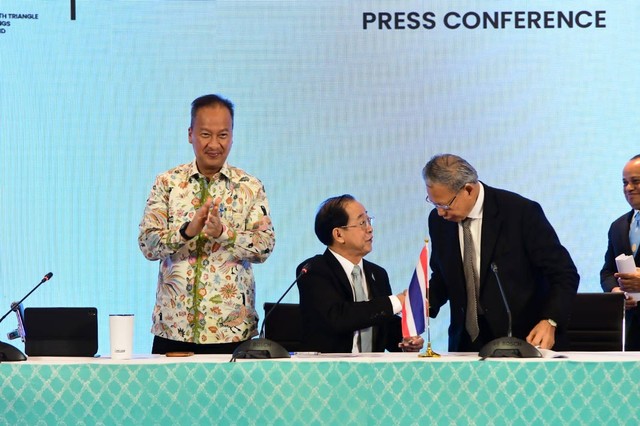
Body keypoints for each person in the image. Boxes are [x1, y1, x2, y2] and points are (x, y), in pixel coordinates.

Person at [138, 94, 276, 354]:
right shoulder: (167, 183)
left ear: (232, 135)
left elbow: (265, 246)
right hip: (173, 329)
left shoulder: (249, 186)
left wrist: (224, 233)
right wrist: (187, 231)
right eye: (205, 134)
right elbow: (147, 244)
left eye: (223, 135)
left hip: (232, 331)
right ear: (190, 134)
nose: (214, 144)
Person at [423, 154, 579, 352]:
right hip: (466, 345)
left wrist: (550, 320)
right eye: (434, 203)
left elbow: (564, 274)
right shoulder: (439, 222)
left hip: (523, 340)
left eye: (445, 205)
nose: (440, 212)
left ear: (468, 189)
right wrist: (421, 306)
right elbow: (444, 277)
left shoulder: (520, 212)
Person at [296, 194, 424, 353]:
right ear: (338, 235)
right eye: (362, 223)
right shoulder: (314, 270)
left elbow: (383, 324)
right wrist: (397, 302)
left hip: (374, 372)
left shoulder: (378, 274)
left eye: (369, 221)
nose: (370, 228)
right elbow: (338, 318)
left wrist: (405, 340)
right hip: (330, 372)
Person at [601, 154, 640, 350]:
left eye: (636, 181)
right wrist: (615, 292)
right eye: (624, 182)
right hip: (632, 333)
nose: (628, 188)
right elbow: (607, 272)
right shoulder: (617, 227)